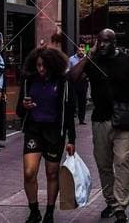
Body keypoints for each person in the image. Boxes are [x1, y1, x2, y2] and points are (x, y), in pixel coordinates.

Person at [68, 29, 129, 222]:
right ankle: (111, 202)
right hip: (100, 120)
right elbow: (72, 77)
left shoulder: (128, 61)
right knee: (104, 165)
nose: (102, 45)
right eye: (99, 41)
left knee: (121, 161)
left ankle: (121, 207)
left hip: (123, 120)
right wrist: (89, 55)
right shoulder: (93, 60)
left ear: (114, 42)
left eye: (105, 41)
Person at [17, 47, 76, 223]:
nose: (41, 69)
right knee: (29, 172)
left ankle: (49, 212)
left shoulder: (63, 82)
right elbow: (19, 111)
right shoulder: (29, 80)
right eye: (38, 65)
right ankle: (34, 211)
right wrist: (24, 106)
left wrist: (71, 139)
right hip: (34, 130)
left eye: (44, 66)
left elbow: (69, 112)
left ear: (52, 65)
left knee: (52, 173)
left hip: (54, 132)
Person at [68, 44, 89, 125]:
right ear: (77, 51)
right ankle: (73, 115)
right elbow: (69, 70)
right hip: (74, 83)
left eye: (83, 50)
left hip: (83, 83)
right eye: (79, 50)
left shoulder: (86, 59)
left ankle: (81, 119)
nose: (81, 52)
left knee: (82, 102)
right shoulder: (71, 59)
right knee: (73, 100)